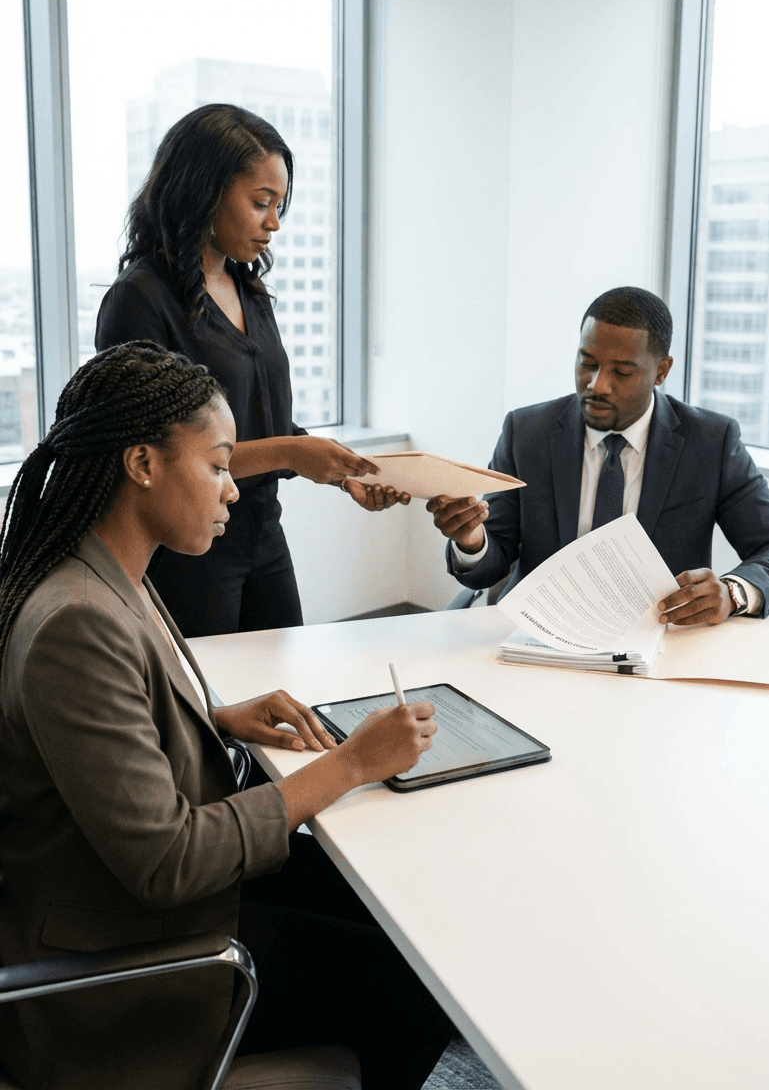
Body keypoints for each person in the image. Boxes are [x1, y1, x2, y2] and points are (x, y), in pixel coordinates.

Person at [0, 341, 451, 1090]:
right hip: (118, 972)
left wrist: (211, 717)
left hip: (125, 903)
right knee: (418, 985)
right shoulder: (76, 622)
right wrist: (353, 765)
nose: (233, 490)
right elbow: (165, 861)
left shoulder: (102, 572)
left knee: (396, 912)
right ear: (142, 464)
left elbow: (109, 732)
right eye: (217, 465)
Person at [95, 103, 409, 637]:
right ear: (204, 190)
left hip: (263, 534)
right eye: (261, 202)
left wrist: (341, 473)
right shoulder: (140, 300)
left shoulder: (251, 292)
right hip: (190, 546)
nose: (275, 223)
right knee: (207, 710)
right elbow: (152, 459)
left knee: (286, 695)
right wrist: (290, 453)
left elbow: (267, 424)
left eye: (280, 204)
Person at [429, 286, 769, 624]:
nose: (598, 385)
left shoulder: (710, 443)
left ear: (661, 371)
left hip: (653, 637)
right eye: (587, 363)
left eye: (622, 372)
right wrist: (472, 540)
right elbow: (488, 566)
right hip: (537, 631)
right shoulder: (527, 432)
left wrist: (733, 593)